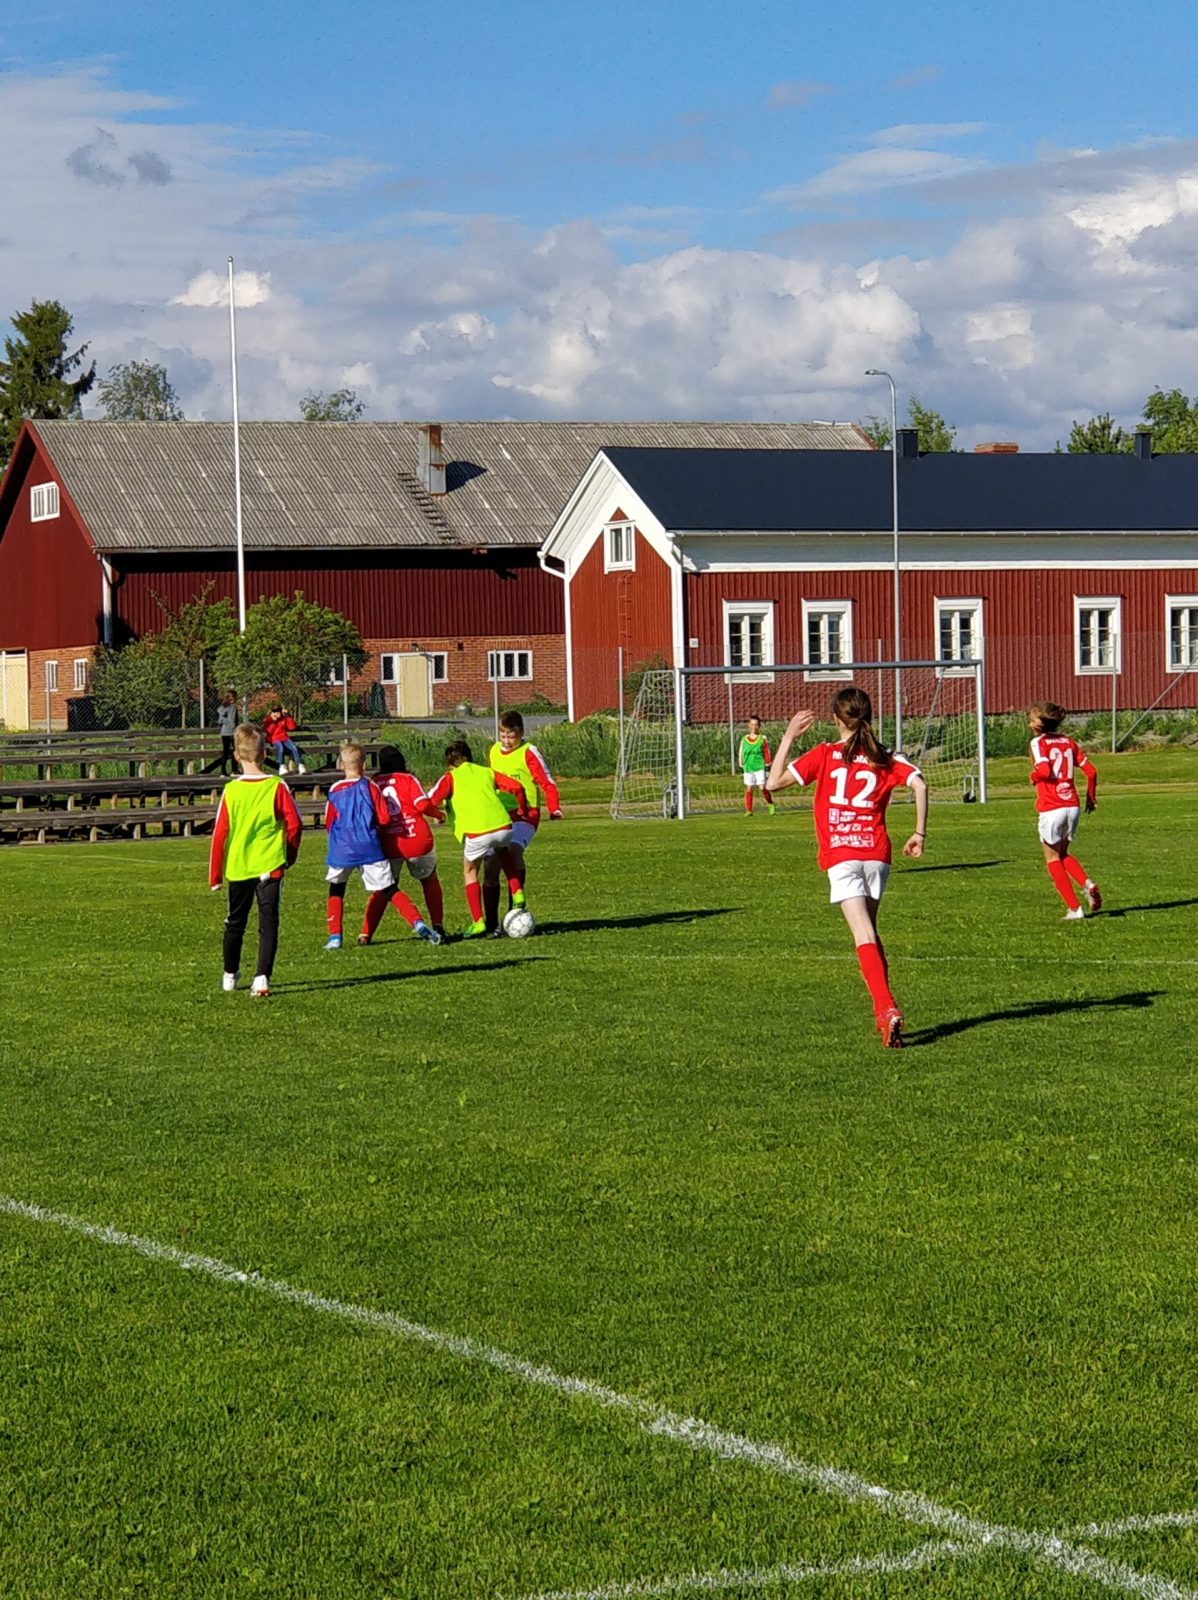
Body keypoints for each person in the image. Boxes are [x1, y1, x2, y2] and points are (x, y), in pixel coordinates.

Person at [767, 686, 928, 1049]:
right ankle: (881, 1013)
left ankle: (887, 1008)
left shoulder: (825, 754)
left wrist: (790, 735)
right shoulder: (887, 757)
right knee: (871, 933)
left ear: (837, 719)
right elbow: (920, 785)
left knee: (863, 937)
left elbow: (772, 783)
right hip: (876, 855)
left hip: (842, 855)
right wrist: (918, 832)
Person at [208, 723, 304, 998]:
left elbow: (220, 834)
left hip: (239, 866)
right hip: (270, 864)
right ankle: (261, 978)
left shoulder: (232, 791)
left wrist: (215, 874)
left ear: (237, 756)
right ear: (265, 753)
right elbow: (295, 825)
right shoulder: (277, 786)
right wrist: (289, 854)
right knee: (268, 922)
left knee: (235, 921)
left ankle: (229, 975)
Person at [324, 743, 441, 949]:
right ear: (364, 763)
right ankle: (418, 922)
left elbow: (329, 821)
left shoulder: (335, 788)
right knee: (388, 888)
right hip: (370, 846)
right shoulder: (370, 786)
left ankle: (335, 937)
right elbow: (384, 818)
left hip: (343, 848)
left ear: (341, 764)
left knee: (337, 889)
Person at [423, 740, 528, 937]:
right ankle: (517, 892)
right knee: (504, 853)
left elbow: (430, 802)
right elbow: (517, 787)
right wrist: (522, 809)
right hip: (503, 825)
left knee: (470, 871)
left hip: (477, 832)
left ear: (450, 764)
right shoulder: (486, 771)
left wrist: (438, 816)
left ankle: (478, 921)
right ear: (470, 757)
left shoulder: (450, 777)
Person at [360, 745, 447, 945]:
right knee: (429, 880)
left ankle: (365, 934)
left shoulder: (374, 783)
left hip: (388, 843)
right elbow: (422, 804)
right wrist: (439, 815)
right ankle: (438, 926)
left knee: (383, 887)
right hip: (416, 839)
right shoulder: (408, 779)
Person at [487, 710, 563, 925]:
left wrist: (554, 808)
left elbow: (546, 782)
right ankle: (491, 924)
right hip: (500, 813)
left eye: (511, 736)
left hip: (525, 813)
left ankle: (515, 911)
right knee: (491, 863)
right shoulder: (493, 751)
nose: (507, 741)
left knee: (513, 851)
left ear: (520, 733)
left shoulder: (529, 752)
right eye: (503, 735)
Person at [1028, 702, 1101, 920]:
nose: (1029, 723)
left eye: (1032, 719)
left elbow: (1043, 770)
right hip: (1072, 805)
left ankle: (1074, 908)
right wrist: (1091, 797)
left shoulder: (1037, 743)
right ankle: (1088, 884)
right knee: (1062, 854)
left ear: (1039, 725)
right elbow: (1091, 771)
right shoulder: (1068, 742)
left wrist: (1033, 777)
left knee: (1051, 859)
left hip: (1052, 807)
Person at [738, 714, 775, 816]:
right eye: (752, 725)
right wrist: (741, 763)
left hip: (759, 766)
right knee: (749, 788)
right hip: (749, 767)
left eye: (756, 725)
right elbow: (742, 751)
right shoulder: (744, 739)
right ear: (749, 725)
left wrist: (768, 763)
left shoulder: (762, 738)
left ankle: (770, 803)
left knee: (762, 787)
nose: (754, 727)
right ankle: (749, 810)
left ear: (759, 726)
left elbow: (766, 751)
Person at [264, 704, 306, 775]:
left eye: (278, 712)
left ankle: (300, 765)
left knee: (294, 748)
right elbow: (269, 731)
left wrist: (288, 716)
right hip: (275, 739)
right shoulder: (268, 720)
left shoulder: (284, 719)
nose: (277, 714)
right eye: (275, 712)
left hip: (285, 738)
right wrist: (273, 721)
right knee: (280, 749)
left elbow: (292, 727)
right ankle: (282, 766)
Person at [216, 691, 238, 776]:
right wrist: (234, 728)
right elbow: (232, 722)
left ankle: (223, 771)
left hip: (224, 732)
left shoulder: (222, 707)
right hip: (232, 732)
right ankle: (234, 770)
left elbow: (219, 721)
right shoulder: (232, 707)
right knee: (235, 751)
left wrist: (223, 720)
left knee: (225, 751)